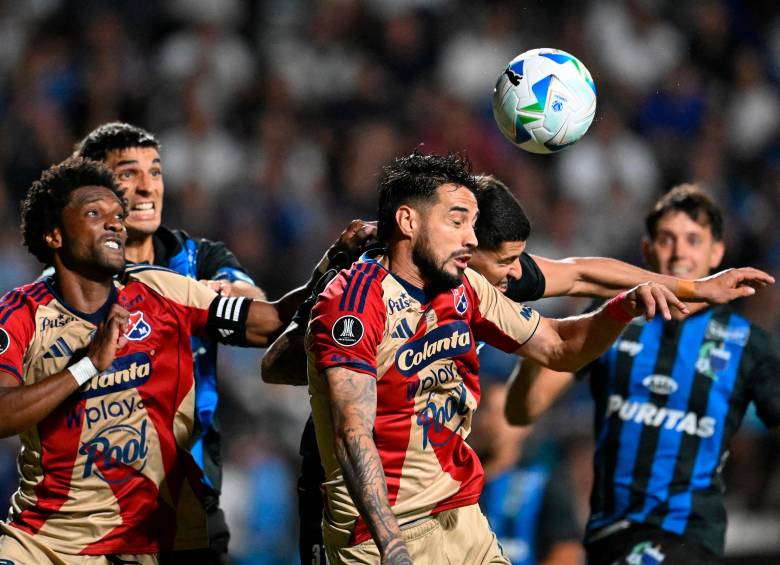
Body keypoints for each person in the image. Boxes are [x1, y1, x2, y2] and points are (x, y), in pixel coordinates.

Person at [262, 173, 772, 564]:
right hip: (349, 485)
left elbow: (581, 275)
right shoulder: (369, 283)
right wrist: (325, 281)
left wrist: (693, 289)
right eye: (505, 261)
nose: (516, 275)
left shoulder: (483, 282)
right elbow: (280, 362)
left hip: (440, 499)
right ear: (464, 246)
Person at [0, 157, 300, 563]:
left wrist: (337, 268)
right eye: (94, 213)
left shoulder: (161, 290)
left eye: (117, 215)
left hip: (155, 540)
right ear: (54, 235)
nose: (115, 224)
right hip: (50, 543)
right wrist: (87, 365)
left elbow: (274, 321)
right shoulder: (20, 315)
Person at [505, 184, 779, 564]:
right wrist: (545, 337)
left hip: (686, 534)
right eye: (666, 239)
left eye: (693, 240)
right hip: (606, 534)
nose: (680, 251)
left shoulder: (748, 344)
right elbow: (523, 411)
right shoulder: (614, 318)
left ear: (718, 251)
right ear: (647, 250)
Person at [74, 121, 264, 563]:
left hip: (192, 509)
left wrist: (221, 297)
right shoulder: (71, 286)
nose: (146, 188)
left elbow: (259, 309)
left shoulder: (199, 260)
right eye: (128, 174)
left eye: (155, 172)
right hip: (101, 519)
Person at [470, 380, 583, 565]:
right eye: (487, 411)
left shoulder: (542, 480)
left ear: (525, 425)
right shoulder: (456, 481)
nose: (494, 423)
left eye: (505, 414)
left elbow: (567, 550)